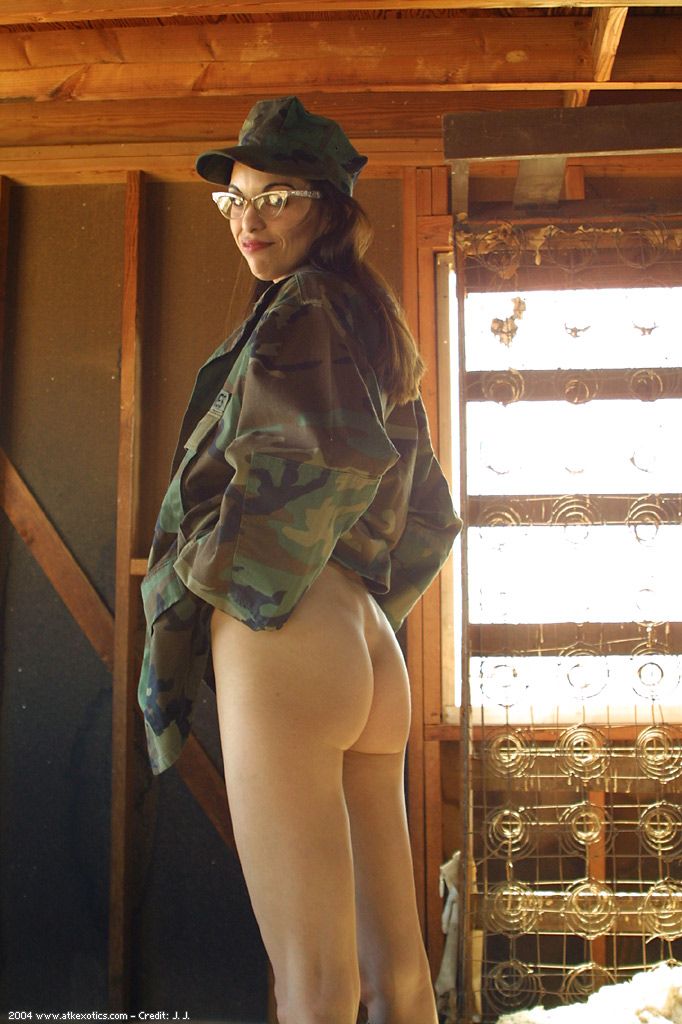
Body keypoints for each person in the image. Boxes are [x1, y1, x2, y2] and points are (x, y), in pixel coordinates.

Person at [138, 96, 461, 1024]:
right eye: (234, 200)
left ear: (329, 207)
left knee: (312, 985)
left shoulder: (303, 306)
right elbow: (429, 513)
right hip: (366, 645)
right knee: (399, 978)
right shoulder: (375, 320)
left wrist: (213, 577)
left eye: (276, 197)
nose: (248, 219)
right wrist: (349, 597)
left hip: (284, 630)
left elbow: (314, 462)